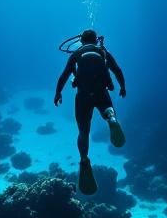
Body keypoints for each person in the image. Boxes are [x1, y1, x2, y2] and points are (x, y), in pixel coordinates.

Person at [54, 29, 126, 194]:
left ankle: (84, 160)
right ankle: (112, 119)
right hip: (102, 92)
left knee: (83, 132)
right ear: (96, 40)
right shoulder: (103, 51)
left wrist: (58, 93)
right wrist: (122, 86)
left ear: (82, 41)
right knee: (107, 111)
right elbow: (117, 69)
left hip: (83, 96)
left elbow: (64, 75)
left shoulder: (76, 54)